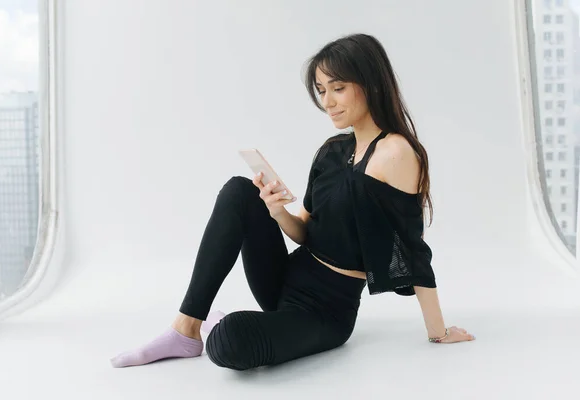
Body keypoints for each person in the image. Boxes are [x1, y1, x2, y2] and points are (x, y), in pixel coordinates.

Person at [110, 33, 475, 371]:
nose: (327, 102)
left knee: (230, 339)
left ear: (372, 84)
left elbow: (412, 249)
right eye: (321, 90)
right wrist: (276, 211)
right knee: (240, 190)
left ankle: (217, 327)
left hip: (325, 312)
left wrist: (437, 331)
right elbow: (305, 232)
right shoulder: (333, 151)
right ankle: (185, 329)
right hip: (285, 278)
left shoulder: (395, 152)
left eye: (338, 88)